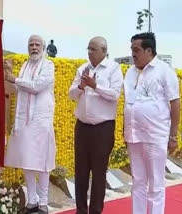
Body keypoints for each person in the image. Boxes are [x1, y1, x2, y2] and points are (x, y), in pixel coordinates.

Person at [124, 32, 180, 214]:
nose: (133, 54)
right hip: (134, 136)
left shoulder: (164, 71)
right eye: (131, 50)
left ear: (149, 50)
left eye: (136, 50)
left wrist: (173, 136)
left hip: (155, 136)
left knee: (156, 183)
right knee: (138, 181)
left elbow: (175, 103)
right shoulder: (130, 72)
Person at [69, 36, 123, 214]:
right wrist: (81, 87)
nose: (90, 52)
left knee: (99, 173)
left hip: (103, 128)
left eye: (93, 49)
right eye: (88, 49)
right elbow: (71, 95)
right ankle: (81, 210)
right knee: (81, 171)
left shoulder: (113, 69)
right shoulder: (82, 69)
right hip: (82, 127)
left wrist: (95, 85)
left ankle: (95, 211)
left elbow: (115, 95)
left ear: (104, 51)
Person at [4, 34, 56, 214]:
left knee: (42, 163)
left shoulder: (48, 65)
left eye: (37, 44)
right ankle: (32, 201)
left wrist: (14, 79)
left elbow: (37, 86)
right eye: (31, 44)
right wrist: (9, 74)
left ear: (42, 47)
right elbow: (19, 89)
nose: (34, 47)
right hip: (24, 121)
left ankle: (43, 203)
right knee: (27, 161)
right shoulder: (25, 66)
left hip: (41, 121)